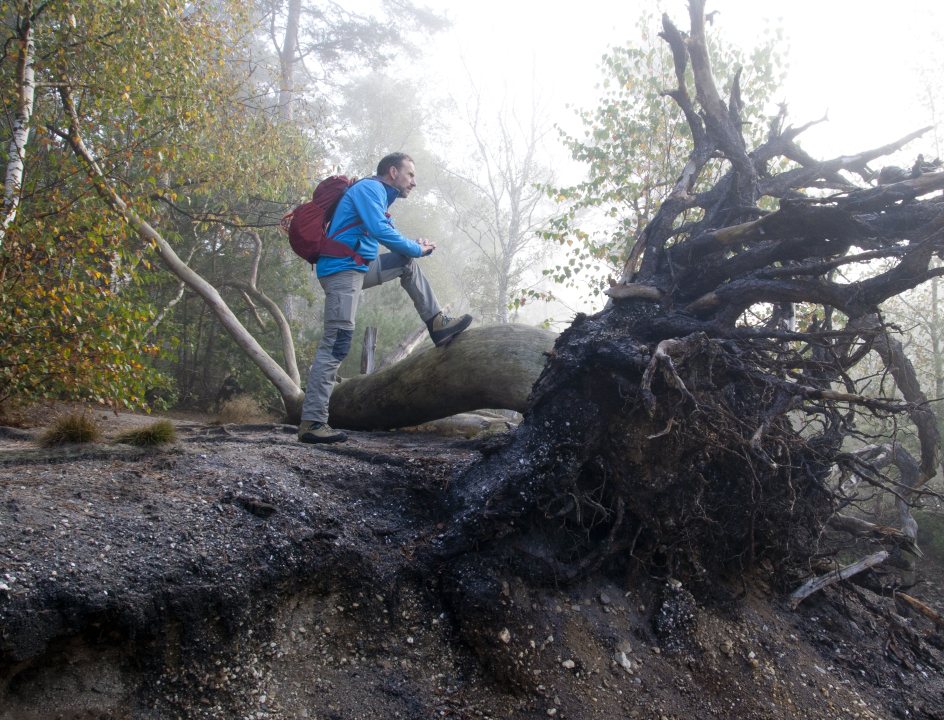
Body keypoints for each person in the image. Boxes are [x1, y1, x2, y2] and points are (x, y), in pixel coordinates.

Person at [298, 152, 473, 444]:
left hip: (358, 267)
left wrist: (414, 247)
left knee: (405, 262)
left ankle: (437, 324)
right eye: (411, 174)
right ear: (393, 172)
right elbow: (380, 231)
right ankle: (313, 422)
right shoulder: (370, 189)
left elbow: (386, 231)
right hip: (342, 271)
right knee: (337, 342)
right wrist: (416, 248)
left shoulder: (378, 195)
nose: (414, 182)